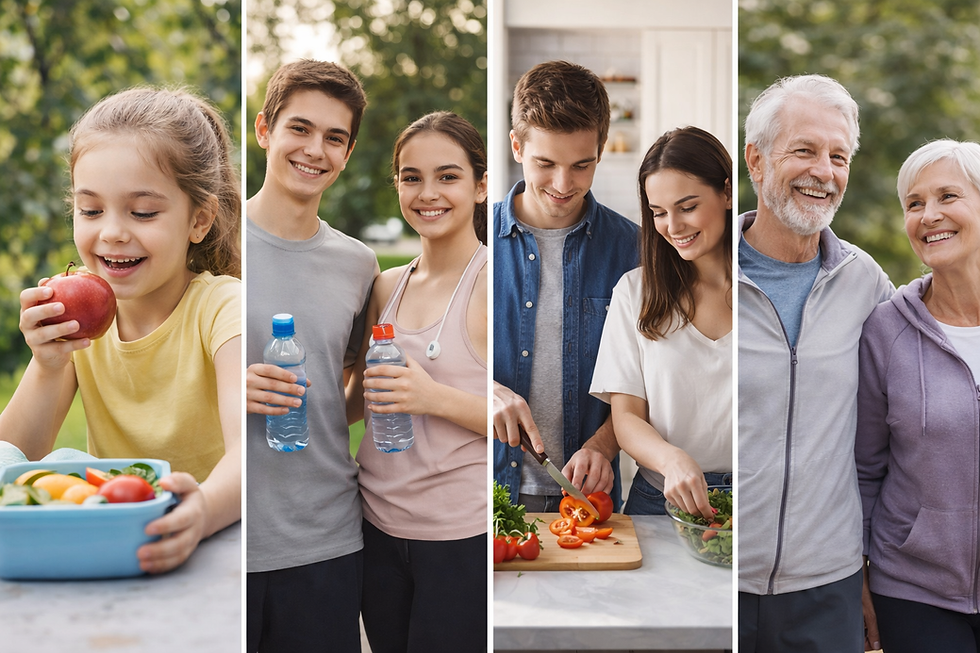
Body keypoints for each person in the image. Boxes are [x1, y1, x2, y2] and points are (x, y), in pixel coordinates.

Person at [0, 86, 242, 573]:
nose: (111, 231)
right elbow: (13, 457)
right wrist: (49, 364)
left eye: (143, 212)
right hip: (115, 544)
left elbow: (251, 450)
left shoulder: (223, 309)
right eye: (91, 210)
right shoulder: (78, 325)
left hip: (215, 541)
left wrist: (203, 513)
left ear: (200, 219)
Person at [737, 74, 893, 652]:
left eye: (838, 156)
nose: (823, 171)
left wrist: (873, 568)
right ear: (756, 160)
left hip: (829, 587)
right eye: (803, 150)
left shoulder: (866, 282)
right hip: (714, 569)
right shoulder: (700, 274)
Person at [244, 60, 377, 652]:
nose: (315, 150)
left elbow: (341, 394)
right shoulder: (207, 244)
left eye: (334, 137)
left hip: (326, 542)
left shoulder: (358, 266)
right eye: (300, 128)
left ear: (347, 153)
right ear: (264, 130)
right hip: (224, 533)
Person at [347, 111, 488, 653]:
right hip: (376, 528)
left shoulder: (492, 281)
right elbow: (357, 403)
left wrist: (432, 397)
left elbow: (519, 426)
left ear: (480, 187)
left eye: (447, 177)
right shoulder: (386, 285)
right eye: (411, 177)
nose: (427, 193)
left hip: (458, 539)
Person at [493, 60, 640, 511]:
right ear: (517, 146)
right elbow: (432, 355)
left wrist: (604, 444)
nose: (563, 184)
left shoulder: (633, 249)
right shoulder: (472, 239)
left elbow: (651, 378)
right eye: (546, 163)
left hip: (586, 502)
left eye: (582, 165)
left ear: (600, 152)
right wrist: (487, 390)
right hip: (484, 497)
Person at [857, 139, 980, 653]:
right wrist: (856, 582)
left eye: (948, 196)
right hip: (914, 591)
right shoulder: (886, 329)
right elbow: (865, 468)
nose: (929, 215)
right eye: (914, 203)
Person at [590, 126, 732, 519]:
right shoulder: (634, 293)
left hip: (757, 501)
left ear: (727, 192)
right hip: (660, 502)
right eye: (658, 212)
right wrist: (671, 460)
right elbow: (627, 417)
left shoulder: (763, 289)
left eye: (687, 207)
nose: (673, 226)